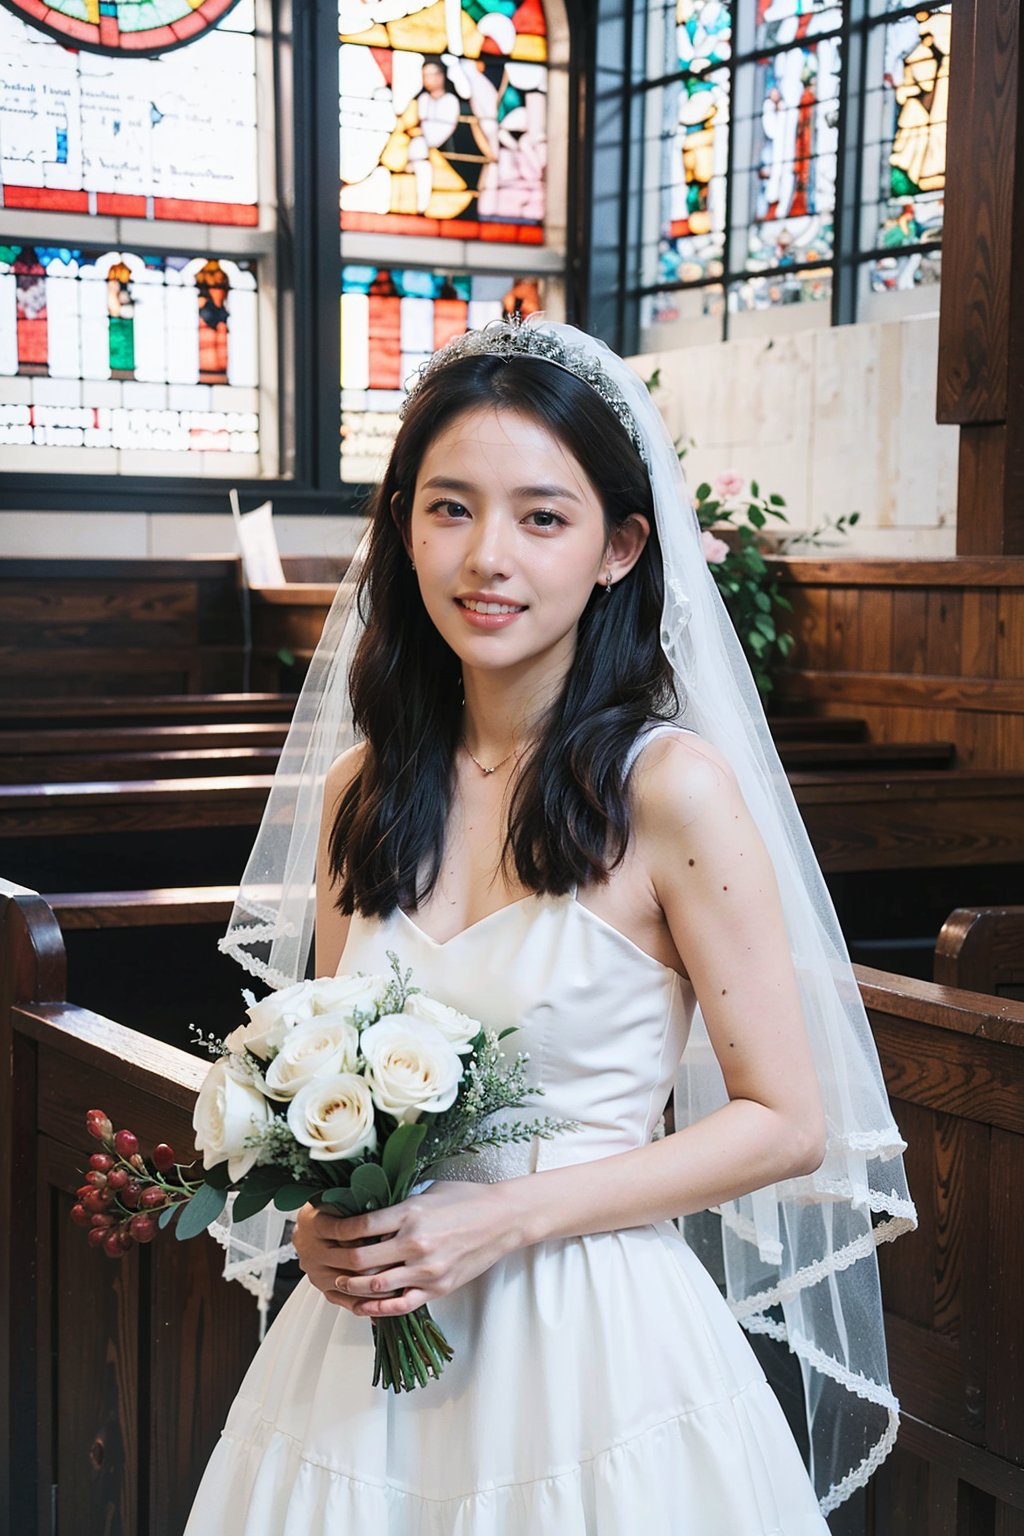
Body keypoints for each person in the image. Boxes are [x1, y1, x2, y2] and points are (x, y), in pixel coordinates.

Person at [188, 316, 916, 1532]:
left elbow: (787, 1124)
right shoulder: (360, 790)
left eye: (541, 515)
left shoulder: (667, 789)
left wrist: (508, 1212)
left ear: (620, 546)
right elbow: (328, 1060)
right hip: (366, 1350)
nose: (488, 558)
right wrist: (328, 1217)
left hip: (589, 1336)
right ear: (404, 528)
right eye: (449, 508)